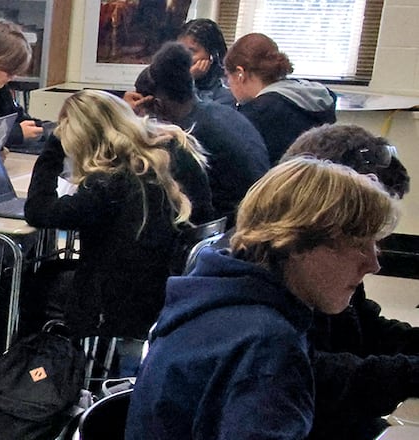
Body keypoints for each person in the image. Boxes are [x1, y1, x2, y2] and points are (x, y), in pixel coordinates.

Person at [126, 157, 398, 439]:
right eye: (358, 244)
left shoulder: (209, 300)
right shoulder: (267, 344)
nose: (373, 264)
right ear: (298, 242)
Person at [23, 89, 213, 340]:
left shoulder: (108, 183)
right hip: (170, 288)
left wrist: (52, 148)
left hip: (116, 305)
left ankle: (36, 365)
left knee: (34, 280)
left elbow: (37, 211)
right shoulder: (177, 153)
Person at [282, 124, 415, 440]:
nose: (374, 261)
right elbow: (322, 378)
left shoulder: (320, 260)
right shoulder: (264, 302)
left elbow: (364, 329)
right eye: (362, 238)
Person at [130, 41, 269, 222]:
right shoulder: (222, 113)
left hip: (229, 228)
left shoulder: (189, 135)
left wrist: (128, 118)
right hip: (255, 218)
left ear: (157, 104)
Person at [224, 32, 337, 164]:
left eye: (228, 77)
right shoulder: (317, 96)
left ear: (240, 74)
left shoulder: (257, 112)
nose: (228, 85)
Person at [177, 18, 235, 107]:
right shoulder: (172, 77)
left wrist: (188, 80)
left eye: (191, 52)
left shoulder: (227, 90)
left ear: (213, 55)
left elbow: (201, 116)